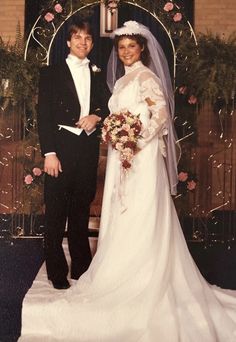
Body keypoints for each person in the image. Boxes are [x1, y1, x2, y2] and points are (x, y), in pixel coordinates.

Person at [20, 21, 236, 341]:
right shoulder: (109, 79)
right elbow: (50, 114)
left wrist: (132, 137)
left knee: (124, 209)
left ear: (142, 49)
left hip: (135, 156)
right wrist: (103, 135)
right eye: (121, 47)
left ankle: (116, 271)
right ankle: (68, 271)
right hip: (85, 151)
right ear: (69, 43)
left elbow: (159, 114)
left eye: (131, 47)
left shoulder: (144, 77)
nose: (125, 52)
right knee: (74, 211)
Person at [37, 17, 110, 290]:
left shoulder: (97, 72)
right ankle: (57, 271)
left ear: (92, 43)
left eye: (88, 38)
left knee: (80, 211)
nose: (83, 42)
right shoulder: (51, 73)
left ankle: (82, 268)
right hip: (60, 148)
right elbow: (43, 116)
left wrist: (96, 116)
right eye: (78, 37)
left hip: (87, 149)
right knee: (55, 213)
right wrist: (50, 153)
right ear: (68, 42)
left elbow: (106, 106)